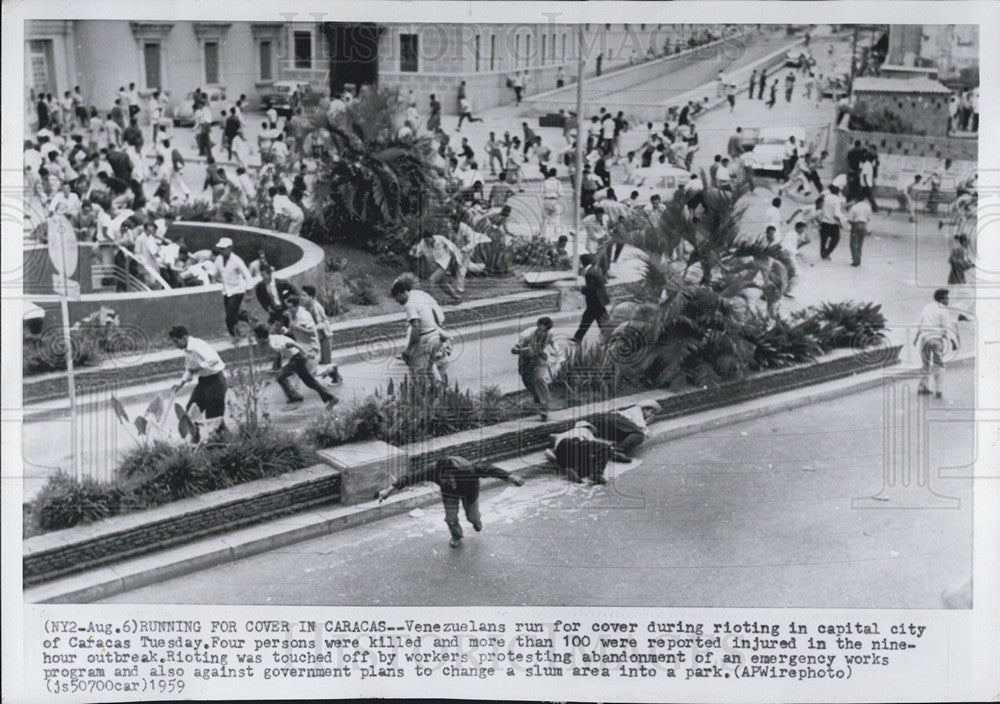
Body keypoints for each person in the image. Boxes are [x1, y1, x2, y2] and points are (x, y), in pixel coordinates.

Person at [377, 455, 525, 548]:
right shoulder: (433, 470)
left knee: (471, 517)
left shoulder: (467, 470)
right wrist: (389, 490)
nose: (448, 478)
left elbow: (489, 469)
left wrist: (510, 477)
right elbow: (410, 477)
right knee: (451, 518)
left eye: (451, 476)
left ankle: (476, 520)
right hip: (449, 493)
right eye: (444, 476)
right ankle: (457, 535)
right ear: (439, 472)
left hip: (469, 489)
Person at [253, 321, 338, 408]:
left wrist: (306, 353)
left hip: (297, 358)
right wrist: (275, 368)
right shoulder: (273, 338)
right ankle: (331, 398)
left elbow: (293, 344)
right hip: (296, 358)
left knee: (281, 376)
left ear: (261, 338)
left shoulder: (273, 344)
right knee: (310, 382)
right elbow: (279, 355)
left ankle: (295, 398)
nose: (255, 340)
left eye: (256, 337)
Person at [168, 325, 227, 442]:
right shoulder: (188, 350)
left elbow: (215, 361)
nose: (176, 345)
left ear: (184, 337)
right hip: (204, 382)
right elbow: (189, 369)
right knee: (191, 410)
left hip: (216, 381)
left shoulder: (197, 345)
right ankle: (196, 439)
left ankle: (222, 443)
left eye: (176, 341)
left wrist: (199, 368)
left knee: (213, 416)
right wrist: (180, 385)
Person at [391, 277, 451, 388]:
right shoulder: (419, 295)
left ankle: (422, 393)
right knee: (430, 366)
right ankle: (438, 389)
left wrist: (408, 351)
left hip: (425, 338)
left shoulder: (409, 304)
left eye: (397, 298)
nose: (398, 302)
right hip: (434, 334)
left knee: (415, 369)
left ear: (400, 293)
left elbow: (416, 329)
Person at [913, 288, 963, 399]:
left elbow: (921, 322)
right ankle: (938, 389)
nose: (948, 300)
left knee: (925, 363)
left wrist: (916, 337)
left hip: (924, 339)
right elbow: (947, 328)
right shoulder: (943, 310)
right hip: (936, 341)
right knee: (938, 365)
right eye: (946, 297)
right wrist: (953, 341)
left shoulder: (927, 307)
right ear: (941, 298)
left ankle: (923, 387)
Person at [511, 316, 557, 421]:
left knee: (539, 379)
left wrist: (556, 351)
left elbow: (553, 343)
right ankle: (538, 397)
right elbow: (513, 349)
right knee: (528, 382)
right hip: (525, 362)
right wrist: (523, 350)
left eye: (546, 331)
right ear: (538, 327)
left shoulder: (548, 335)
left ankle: (544, 409)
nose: (543, 333)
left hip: (539, 360)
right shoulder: (527, 336)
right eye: (542, 330)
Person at [591, 400, 661, 463]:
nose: (652, 415)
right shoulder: (637, 410)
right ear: (645, 409)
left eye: (654, 414)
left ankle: (610, 450)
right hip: (612, 418)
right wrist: (645, 424)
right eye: (651, 412)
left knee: (628, 436)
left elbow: (636, 427)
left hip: (605, 425)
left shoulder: (634, 417)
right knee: (639, 435)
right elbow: (640, 428)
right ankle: (617, 451)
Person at [548, 421, 615, 485]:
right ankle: (596, 473)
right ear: (588, 427)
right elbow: (594, 448)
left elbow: (549, 452)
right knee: (606, 447)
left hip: (562, 453)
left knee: (586, 458)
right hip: (572, 443)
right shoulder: (585, 430)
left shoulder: (564, 434)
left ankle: (572, 469)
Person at [410, 233, 465, 303]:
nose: (427, 242)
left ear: (432, 238)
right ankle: (456, 297)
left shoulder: (440, 238)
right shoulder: (422, 243)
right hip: (434, 266)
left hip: (444, 263)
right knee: (443, 284)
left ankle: (430, 301)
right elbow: (417, 255)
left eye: (428, 240)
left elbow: (452, 246)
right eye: (425, 241)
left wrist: (458, 259)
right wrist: (414, 251)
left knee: (431, 280)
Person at [213, 237, 251, 336]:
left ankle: (235, 336)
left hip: (237, 291)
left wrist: (248, 290)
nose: (221, 251)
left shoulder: (236, 260)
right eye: (220, 249)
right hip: (227, 291)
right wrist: (213, 277)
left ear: (230, 248)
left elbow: (247, 275)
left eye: (223, 249)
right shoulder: (219, 259)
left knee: (230, 318)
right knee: (233, 315)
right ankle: (247, 319)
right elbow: (215, 272)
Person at [572, 253, 613, 344]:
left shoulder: (590, 273)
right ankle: (577, 338)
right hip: (598, 300)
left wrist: (581, 289)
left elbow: (591, 288)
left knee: (596, 320)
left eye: (581, 262)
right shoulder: (594, 270)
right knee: (592, 319)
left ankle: (611, 338)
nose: (580, 264)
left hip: (596, 301)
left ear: (584, 262)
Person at [818, 185, 847, 260]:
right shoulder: (837, 199)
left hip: (824, 221)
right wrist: (841, 222)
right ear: (838, 192)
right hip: (832, 222)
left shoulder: (826, 197)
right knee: (835, 238)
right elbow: (836, 213)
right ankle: (827, 253)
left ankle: (822, 253)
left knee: (824, 239)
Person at [846, 197, 873, 267]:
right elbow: (869, 218)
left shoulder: (854, 207)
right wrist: (869, 229)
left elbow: (849, 219)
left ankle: (855, 261)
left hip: (856, 225)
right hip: (864, 225)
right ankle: (859, 259)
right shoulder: (868, 207)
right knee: (860, 243)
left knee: (854, 243)